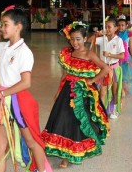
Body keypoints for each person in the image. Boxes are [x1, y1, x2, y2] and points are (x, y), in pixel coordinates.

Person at [0, 6, 52, 172]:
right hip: (2, 101)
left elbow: (26, 83)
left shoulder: (24, 52)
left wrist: (0, 94)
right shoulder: (4, 47)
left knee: (31, 141)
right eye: (1, 24)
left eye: (5, 24)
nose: (1, 28)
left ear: (18, 26)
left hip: (18, 100)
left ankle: (43, 170)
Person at [42, 22, 110, 168]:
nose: (75, 42)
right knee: (62, 118)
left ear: (85, 38)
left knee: (76, 121)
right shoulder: (68, 53)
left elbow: (106, 68)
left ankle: (69, 155)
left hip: (82, 94)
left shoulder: (89, 54)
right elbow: (64, 75)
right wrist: (58, 91)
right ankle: (62, 151)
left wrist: (91, 81)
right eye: (72, 39)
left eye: (78, 39)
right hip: (66, 91)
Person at [88, 18, 125, 119]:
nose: (107, 29)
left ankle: (115, 110)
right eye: (106, 27)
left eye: (109, 27)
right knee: (102, 92)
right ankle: (102, 111)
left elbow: (122, 56)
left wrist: (110, 54)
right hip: (104, 69)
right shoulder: (102, 39)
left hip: (114, 69)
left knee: (114, 90)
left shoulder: (118, 40)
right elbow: (89, 40)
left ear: (115, 28)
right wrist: (97, 34)